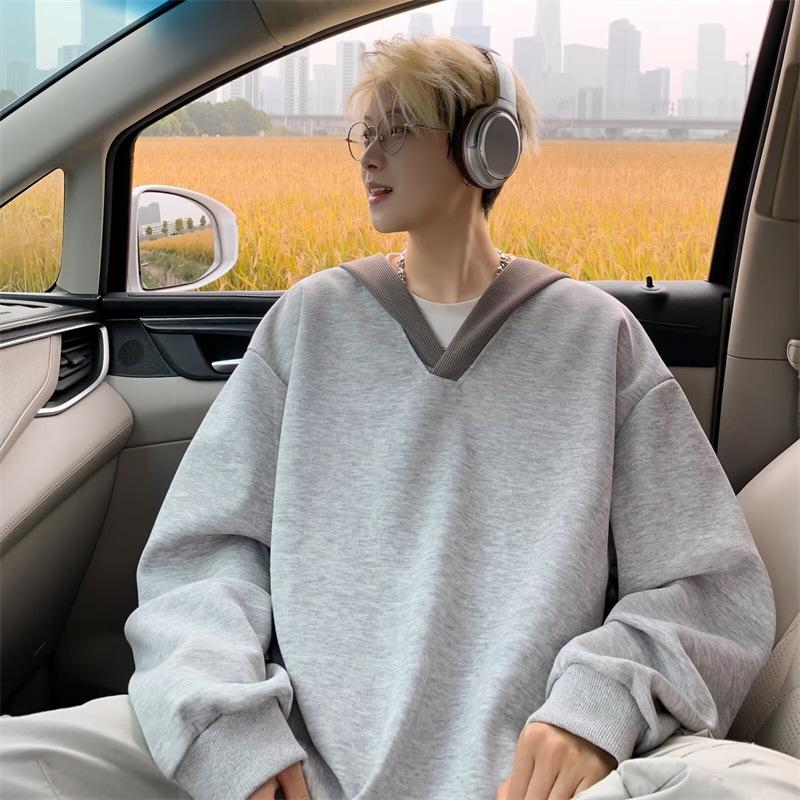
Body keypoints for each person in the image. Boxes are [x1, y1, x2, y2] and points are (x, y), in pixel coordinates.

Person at [2, 33, 799, 800]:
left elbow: (709, 588)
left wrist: (596, 711)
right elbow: (203, 558)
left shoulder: (596, 340)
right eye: (366, 133)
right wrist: (230, 728)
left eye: (400, 129)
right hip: (289, 758)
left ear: (487, 147)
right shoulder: (310, 321)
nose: (369, 156)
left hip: (532, 780)